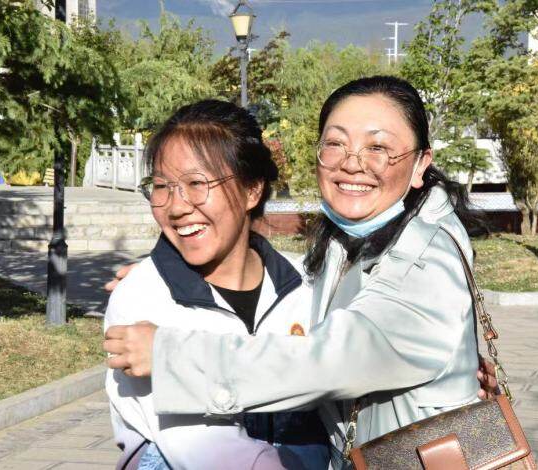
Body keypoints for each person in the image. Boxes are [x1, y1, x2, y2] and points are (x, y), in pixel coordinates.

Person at [105, 76, 500, 468]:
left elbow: (328, 362)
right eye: (336, 144)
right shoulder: (333, 256)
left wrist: (171, 356)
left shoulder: (424, 258)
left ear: (420, 164)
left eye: (378, 147)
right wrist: (157, 275)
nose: (352, 163)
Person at [104, 99, 330, 470]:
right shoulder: (141, 299)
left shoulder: (305, 286)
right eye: (161, 186)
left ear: (251, 190)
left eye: (196, 184)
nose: (176, 207)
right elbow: (201, 448)